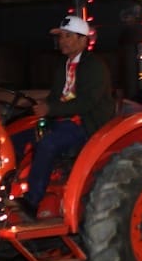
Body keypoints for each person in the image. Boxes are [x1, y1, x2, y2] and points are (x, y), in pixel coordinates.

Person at [10, 14, 115, 219]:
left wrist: (50, 109)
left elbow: (86, 103)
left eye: (67, 36)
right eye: (61, 37)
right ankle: (8, 191)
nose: (62, 41)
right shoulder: (63, 66)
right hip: (62, 120)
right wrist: (38, 106)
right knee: (14, 139)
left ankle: (32, 202)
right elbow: (56, 97)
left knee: (48, 144)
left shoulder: (94, 67)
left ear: (82, 40)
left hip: (85, 124)